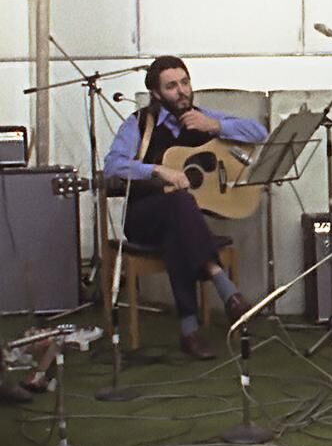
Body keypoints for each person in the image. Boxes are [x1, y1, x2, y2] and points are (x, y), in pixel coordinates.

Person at [103, 56, 268, 359]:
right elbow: (112, 166)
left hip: (180, 222)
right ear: (156, 93)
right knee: (180, 206)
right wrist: (156, 170)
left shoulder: (201, 119)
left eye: (185, 82)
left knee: (177, 225)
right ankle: (223, 285)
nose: (181, 91)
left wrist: (216, 125)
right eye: (171, 86)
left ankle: (190, 331)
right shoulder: (138, 123)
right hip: (142, 217)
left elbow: (259, 133)